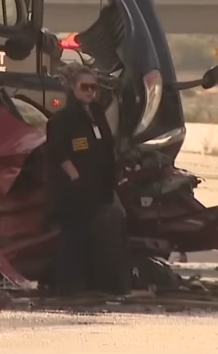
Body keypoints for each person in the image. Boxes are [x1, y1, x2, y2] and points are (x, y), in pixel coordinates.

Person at [45, 63, 128, 296]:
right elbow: (58, 152)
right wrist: (76, 178)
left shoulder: (97, 115)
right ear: (73, 88)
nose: (90, 92)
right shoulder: (63, 119)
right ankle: (68, 286)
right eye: (85, 87)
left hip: (99, 189)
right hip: (74, 192)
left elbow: (106, 147)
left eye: (94, 87)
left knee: (96, 235)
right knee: (73, 237)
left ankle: (92, 283)